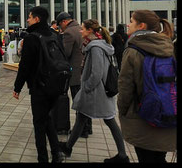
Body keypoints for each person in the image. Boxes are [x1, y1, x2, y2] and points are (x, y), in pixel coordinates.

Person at [58, 19, 129, 163]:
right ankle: (68, 147)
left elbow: (97, 73)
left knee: (109, 120)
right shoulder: (99, 45)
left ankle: (123, 155)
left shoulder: (96, 47)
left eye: (83, 28)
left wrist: (87, 87)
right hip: (99, 91)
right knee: (82, 118)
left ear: (90, 31)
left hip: (97, 92)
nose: (80, 30)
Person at [117, 10, 176, 163]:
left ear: (141, 25)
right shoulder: (168, 47)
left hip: (142, 115)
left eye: (131, 21)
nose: (128, 24)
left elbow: (125, 87)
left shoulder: (133, 50)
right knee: (159, 158)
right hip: (168, 111)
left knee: (146, 158)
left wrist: (122, 110)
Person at [12, 6, 63, 163]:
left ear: (37, 19)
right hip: (56, 84)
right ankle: (56, 153)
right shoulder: (55, 35)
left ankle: (43, 158)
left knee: (39, 124)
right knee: (46, 118)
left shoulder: (31, 38)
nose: (27, 19)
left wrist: (17, 87)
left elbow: (25, 66)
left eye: (29, 17)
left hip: (39, 86)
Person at [55, 11, 90, 137]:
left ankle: (82, 130)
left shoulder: (69, 32)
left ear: (64, 21)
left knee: (77, 100)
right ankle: (88, 127)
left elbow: (66, 52)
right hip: (84, 70)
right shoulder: (80, 28)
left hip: (75, 72)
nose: (60, 28)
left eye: (60, 25)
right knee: (84, 101)